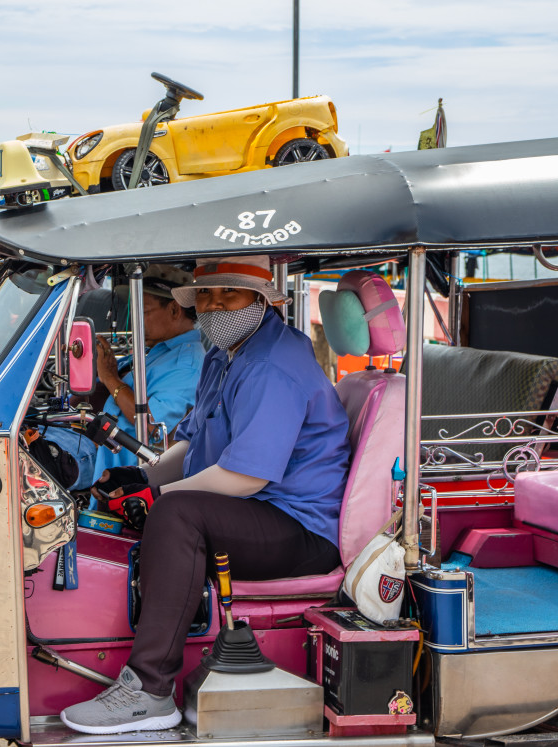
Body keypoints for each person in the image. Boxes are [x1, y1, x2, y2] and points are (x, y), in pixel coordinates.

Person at [61, 255, 351, 734]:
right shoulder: (227, 349)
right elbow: (194, 440)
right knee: (152, 501)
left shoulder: (271, 366)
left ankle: (150, 690)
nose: (215, 305)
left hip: (298, 528)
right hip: (253, 511)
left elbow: (246, 478)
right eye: (207, 295)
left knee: (177, 516)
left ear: (260, 299)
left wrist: (165, 497)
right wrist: (146, 479)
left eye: (229, 294)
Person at [46, 265, 205, 490]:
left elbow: (152, 424)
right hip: (85, 441)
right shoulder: (158, 351)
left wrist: (111, 378)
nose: (136, 321)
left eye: (145, 312)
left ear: (174, 310)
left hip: (112, 462)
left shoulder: (186, 365)